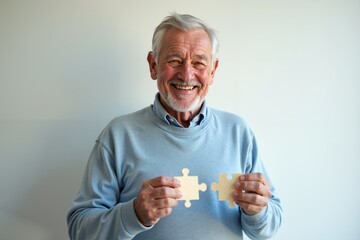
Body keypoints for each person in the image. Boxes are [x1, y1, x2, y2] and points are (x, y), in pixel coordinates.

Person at [67, 13, 282, 240]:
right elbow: (79, 230)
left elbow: (269, 226)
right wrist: (134, 214)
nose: (187, 74)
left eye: (199, 62)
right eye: (174, 60)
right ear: (153, 65)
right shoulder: (118, 136)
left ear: (212, 71)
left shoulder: (238, 132)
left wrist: (257, 211)